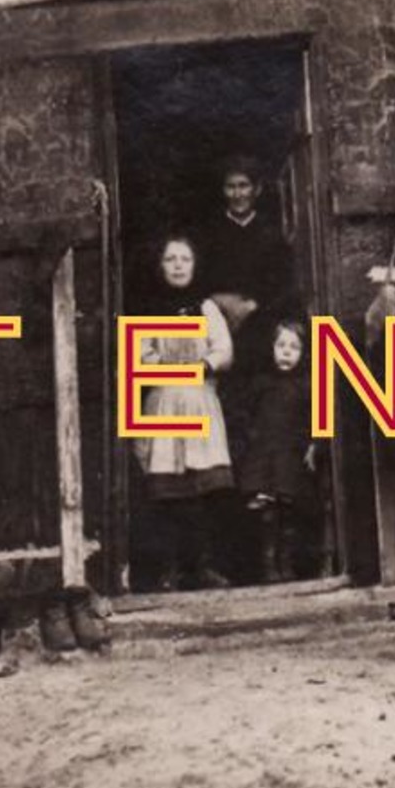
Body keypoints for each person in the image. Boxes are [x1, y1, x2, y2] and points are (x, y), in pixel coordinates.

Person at [132, 235, 235, 590]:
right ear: (160, 266)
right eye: (170, 259)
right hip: (164, 403)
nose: (178, 265)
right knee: (167, 492)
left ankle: (204, 567)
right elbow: (143, 355)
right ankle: (170, 570)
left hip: (200, 399)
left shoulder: (206, 308)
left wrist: (204, 365)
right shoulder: (149, 308)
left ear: (195, 265)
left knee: (204, 492)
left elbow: (223, 349)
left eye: (185, 259)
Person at [196, 155, 297, 363]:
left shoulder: (272, 235)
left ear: (256, 190)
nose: (237, 194)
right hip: (218, 323)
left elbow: (284, 285)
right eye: (230, 187)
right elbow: (197, 280)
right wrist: (219, 300)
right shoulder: (209, 234)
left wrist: (253, 305)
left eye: (244, 186)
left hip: (261, 323)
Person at [236, 319, 316, 582]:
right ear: (271, 348)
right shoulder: (260, 383)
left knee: (289, 509)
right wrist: (249, 444)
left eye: (294, 347)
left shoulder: (306, 386)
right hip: (264, 455)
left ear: (303, 353)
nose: (286, 352)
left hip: (291, 455)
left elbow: (316, 420)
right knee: (266, 511)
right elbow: (244, 416)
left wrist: (315, 445)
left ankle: (287, 562)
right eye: (281, 345)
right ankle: (268, 565)